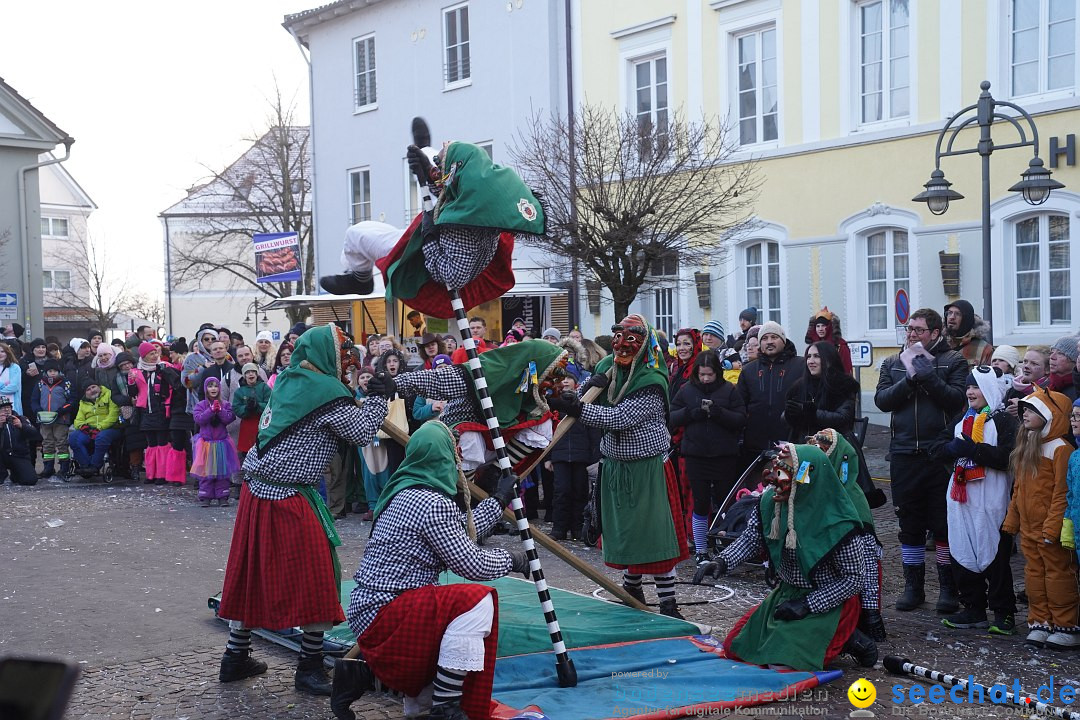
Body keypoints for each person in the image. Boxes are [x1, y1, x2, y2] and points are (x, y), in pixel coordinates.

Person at [216, 324, 395, 695]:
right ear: (326, 356)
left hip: (257, 491)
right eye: (342, 354)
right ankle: (310, 668)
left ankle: (236, 657)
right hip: (287, 497)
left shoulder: (289, 379)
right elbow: (361, 433)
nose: (346, 362)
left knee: (253, 575)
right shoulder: (325, 391)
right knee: (316, 576)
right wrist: (381, 398)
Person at [333, 420, 529, 720]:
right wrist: (511, 559)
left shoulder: (403, 490)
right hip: (388, 610)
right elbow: (471, 564)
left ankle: (370, 679)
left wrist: (497, 500)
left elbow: (460, 533)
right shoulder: (432, 502)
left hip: (375, 606)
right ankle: (446, 708)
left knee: (443, 649)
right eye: (453, 453)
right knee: (477, 601)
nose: (458, 459)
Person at [548, 314, 689, 618]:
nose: (622, 346)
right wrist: (569, 396)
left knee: (654, 535)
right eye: (618, 339)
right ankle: (632, 589)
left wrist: (577, 407)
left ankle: (668, 602)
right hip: (615, 464)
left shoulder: (651, 379)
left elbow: (619, 418)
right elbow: (588, 394)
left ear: (643, 346)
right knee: (625, 532)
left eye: (631, 341)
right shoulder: (607, 368)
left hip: (647, 468)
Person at [693, 444, 877, 670]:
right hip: (787, 593)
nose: (775, 482)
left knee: (783, 663)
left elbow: (854, 579)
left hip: (828, 600)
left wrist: (808, 604)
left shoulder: (839, 522)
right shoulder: (770, 502)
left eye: (784, 474)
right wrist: (722, 561)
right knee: (737, 647)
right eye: (776, 472)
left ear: (806, 476)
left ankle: (851, 639)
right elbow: (753, 539)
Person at [874, 308, 969, 614]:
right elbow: (882, 400)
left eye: (919, 330)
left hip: (938, 453)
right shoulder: (892, 362)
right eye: (909, 329)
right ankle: (912, 587)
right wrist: (911, 381)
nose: (912, 335)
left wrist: (930, 378)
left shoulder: (953, 361)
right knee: (909, 523)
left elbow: (958, 400)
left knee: (942, 524)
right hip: (903, 453)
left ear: (936, 333)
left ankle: (947, 588)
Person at [940, 366, 1018, 636]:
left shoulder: (1004, 421)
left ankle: (1003, 612)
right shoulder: (963, 419)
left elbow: (1008, 458)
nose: (971, 392)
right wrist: (951, 449)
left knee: (994, 552)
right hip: (962, 496)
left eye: (976, 387)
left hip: (992, 496)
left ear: (989, 390)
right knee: (963, 548)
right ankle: (973, 607)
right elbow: (936, 447)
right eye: (968, 387)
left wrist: (975, 450)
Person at [1003, 387, 1079, 649]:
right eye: (1024, 409)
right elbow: (1019, 489)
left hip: (1051, 530)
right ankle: (1040, 622)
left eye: (1031, 410)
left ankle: (1065, 624)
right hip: (1029, 529)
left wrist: (1052, 526)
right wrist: (1013, 519)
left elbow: (1062, 492)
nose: (1024, 414)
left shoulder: (1060, 449)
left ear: (1050, 415)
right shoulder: (1027, 445)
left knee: (1059, 576)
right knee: (1034, 576)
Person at [785, 341, 885, 509]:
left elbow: (843, 418)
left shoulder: (843, 384)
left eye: (817, 356)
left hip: (837, 452)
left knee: (840, 503)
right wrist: (790, 414)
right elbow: (791, 417)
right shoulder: (799, 386)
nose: (811, 361)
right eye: (808, 356)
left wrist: (812, 412)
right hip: (805, 452)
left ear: (829, 359)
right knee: (806, 501)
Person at [669, 350, 746, 564]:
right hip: (696, 455)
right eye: (702, 374)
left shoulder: (729, 390)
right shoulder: (687, 390)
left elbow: (741, 419)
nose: (705, 378)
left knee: (724, 503)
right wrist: (690, 414)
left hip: (724, 455)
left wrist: (721, 414)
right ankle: (701, 550)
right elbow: (672, 416)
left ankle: (725, 549)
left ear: (717, 373)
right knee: (701, 502)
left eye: (709, 375)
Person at [736, 321, 805, 473]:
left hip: (791, 444)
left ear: (783, 340)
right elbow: (739, 406)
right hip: (755, 447)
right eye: (765, 338)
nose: (769, 342)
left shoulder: (800, 365)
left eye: (774, 337)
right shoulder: (748, 370)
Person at [547, 361, 601, 541]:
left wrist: (594, 457)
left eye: (569, 378)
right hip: (560, 455)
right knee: (561, 492)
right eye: (563, 379)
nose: (565, 382)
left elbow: (594, 431)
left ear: (576, 382)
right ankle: (559, 528)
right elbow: (546, 432)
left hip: (581, 455)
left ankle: (577, 528)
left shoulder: (584, 402)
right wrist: (547, 457)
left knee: (579, 492)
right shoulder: (553, 402)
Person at [128, 342, 183, 485]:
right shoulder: (137, 371)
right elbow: (133, 393)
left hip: (162, 410)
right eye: (150, 354)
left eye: (155, 353)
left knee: (162, 443)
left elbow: (176, 383)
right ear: (143, 356)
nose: (154, 356)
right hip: (146, 411)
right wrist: (131, 382)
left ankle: (162, 474)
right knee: (151, 444)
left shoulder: (165, 367)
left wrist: (164, 370)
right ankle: (151, 474)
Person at [192, 377, 240, 507]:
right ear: (205, 389)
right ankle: (206, 496)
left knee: (222, 472)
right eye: (210, 386)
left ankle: (222, 495)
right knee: (206, 472)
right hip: (206, 444)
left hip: (221, 443)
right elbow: (199, 419)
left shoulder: (225, 404)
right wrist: (211, 410)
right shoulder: (201, 405)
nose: (213, 388)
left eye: (215, 386)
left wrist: (220, 410)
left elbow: (229, 418)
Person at [69, 379, 121, 477]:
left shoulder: (109, 395)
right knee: (73, 437)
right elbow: (78, 419)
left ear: (99, 387)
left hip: (109, 428)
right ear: (85, 393)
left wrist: (99, 428)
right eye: (88, 389)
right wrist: (83, 427)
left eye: (93, 387)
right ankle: (86, 466)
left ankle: (95, 465)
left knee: (101, 437)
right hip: (89, 429)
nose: (92, 390)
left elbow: (113, 415)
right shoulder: (83, 402)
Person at [31, 359, 74, 479]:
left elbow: (71, 400)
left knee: (61, 443)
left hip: (61, 418)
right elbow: (34, 400)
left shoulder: (65, 383)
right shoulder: (40, 384)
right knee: (47, 443)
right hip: (44, 419)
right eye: (50, 371)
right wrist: (38, 411)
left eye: (55, 370)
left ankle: (64, 468)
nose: (53, 373)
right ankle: (48, 468)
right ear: (46, 372)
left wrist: (61, 411)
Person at [231, 363, 271, 461]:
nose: (251, 374)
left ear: (257, 374)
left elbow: (270, 404)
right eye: (247, 372)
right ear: (244, 375)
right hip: (247, 426)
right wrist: (247, 408)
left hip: (262, 425)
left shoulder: (264, 388)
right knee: (247, 454)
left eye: (253, 371)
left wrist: (258, 406)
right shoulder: (239, 391)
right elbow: (236, 408)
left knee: (263, 451)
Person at [0, 395, 41, 486]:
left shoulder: (21, 418)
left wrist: (22, 426)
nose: (6, 410)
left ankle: (15, 474)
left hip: (18, 455)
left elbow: (35, 434)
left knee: (30, 480)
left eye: (8, 407)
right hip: (2, 456)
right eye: (3, 408)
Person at [943, 300, 994, 368]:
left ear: (966, 319)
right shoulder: (940, 344)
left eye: (958, 314)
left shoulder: (984, 349)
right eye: (949, 313)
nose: (952, 317)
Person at [803, 308, 852, 375]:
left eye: (823, 326)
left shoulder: (840, 346)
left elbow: (846, 370)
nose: (820, 329)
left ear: (830, 327)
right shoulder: (812, 347)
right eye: (818, 326)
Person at [1006, 345, 1051, 417]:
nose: (1026, 366)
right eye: (1025, 361)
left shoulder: (1049, 391)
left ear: (1047, 369)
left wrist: (1022, 408)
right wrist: (1006, 414)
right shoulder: (1013, 389)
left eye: (1034, 364)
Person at [1046, 335, 1079, 401]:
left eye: (1060, 353)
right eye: (1051, 352)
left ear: (1074, 360)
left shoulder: (1076, 391)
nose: (1052, 357)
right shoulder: (1045, 384)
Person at [0, 342, 24, 415]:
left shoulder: (14, 367)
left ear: (7, 353)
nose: (0, 354)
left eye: (2, 351)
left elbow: (14, 387)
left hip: (12, 406)